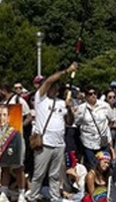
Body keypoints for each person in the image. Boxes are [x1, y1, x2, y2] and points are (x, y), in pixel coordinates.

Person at [26, 63, 77, 202]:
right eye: (52, 86)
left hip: (59, 144)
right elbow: (49, 80)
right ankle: (33, 196)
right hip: (45, 142)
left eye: (56, 87)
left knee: (55, 175)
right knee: (39, 173)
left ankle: (55, 198)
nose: (54, 88)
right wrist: (67, 71)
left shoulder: (61, 102)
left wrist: (70, 108)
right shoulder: (40, 99)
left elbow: (70, 121)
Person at [0, 105, 26, 202]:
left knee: (18, 168)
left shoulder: (16, 132)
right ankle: (4, 193)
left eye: (4, 115)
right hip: (3, 147)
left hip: (16, 144)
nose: (1, 118)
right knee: (4, 168)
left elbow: (29, 116)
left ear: (9, 117)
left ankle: (21, 194)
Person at [75, 87, 115, 169]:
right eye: (90, 94)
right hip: (88, 142)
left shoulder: (104, 106)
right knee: (93, 167)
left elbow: (112, 119)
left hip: (103, 142)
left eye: (95, 93)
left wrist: (106, 131)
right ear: (86, 96)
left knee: (105, 166)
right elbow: (76, 123)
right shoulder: (81, 108)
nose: (93, 96)